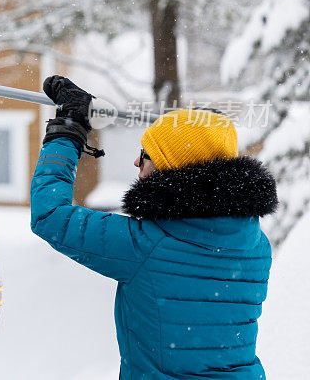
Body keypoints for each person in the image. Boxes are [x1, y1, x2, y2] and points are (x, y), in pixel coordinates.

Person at [31, 75, 278, 379]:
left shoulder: (145, 245)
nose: (137, 161)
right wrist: (204, 137)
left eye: (146, 154)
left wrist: (67, 130)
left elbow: (50, 215)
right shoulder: (256, 245)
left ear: (168, 166)